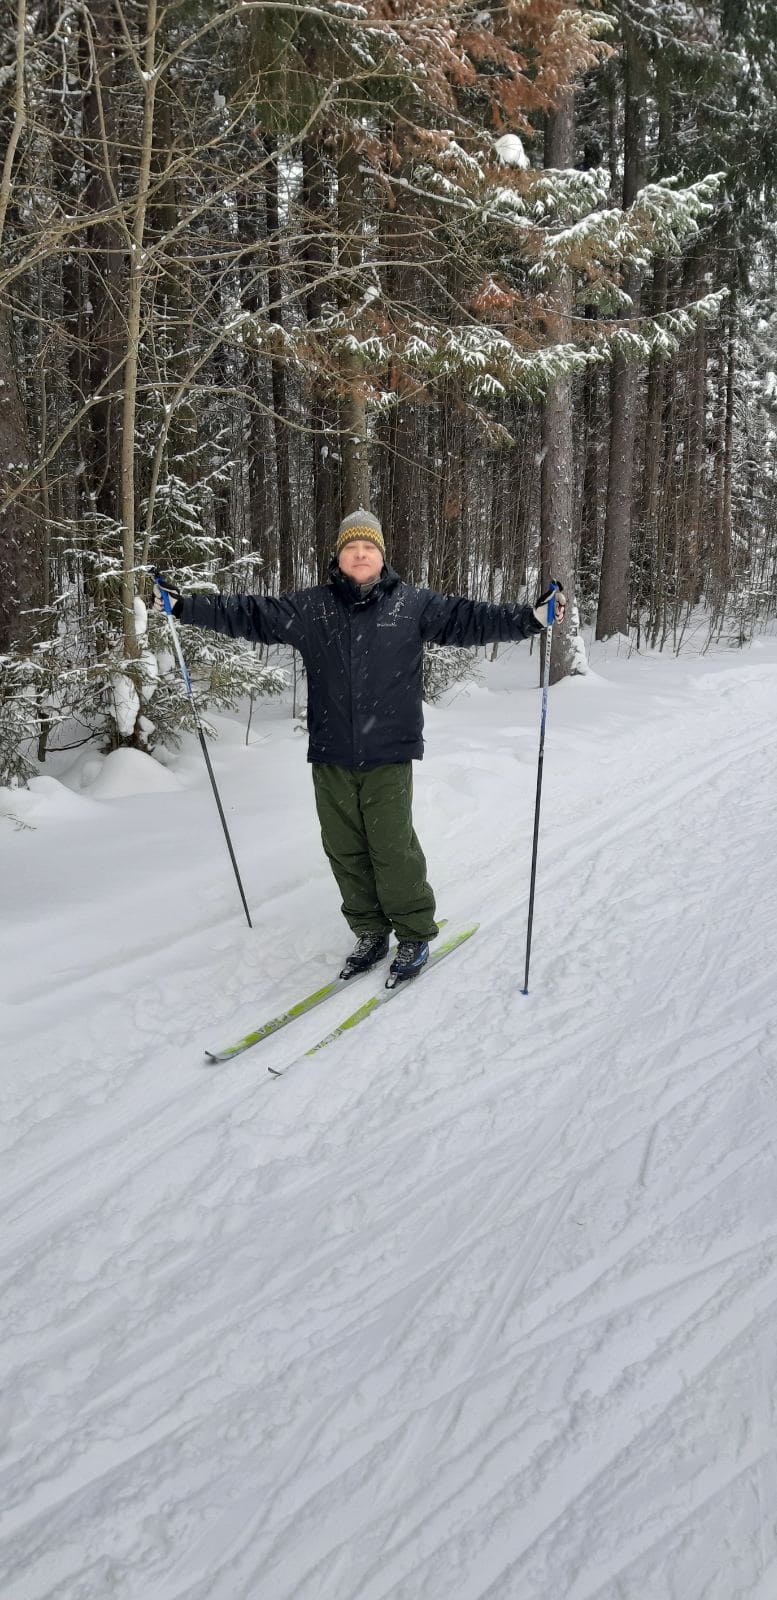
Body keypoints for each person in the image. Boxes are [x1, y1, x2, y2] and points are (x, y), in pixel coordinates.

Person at [153, 508, 565, 984]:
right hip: (330, 751)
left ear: (381, 555)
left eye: (368, 547)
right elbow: (251, 614)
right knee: (344, 847)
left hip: (389, 749)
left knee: (392, 847)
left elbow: (471, 620)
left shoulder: (413, 605)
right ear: (339, 557)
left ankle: (413, 932)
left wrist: (532, 618)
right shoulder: (312, 608)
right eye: (352, 548)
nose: (361, 554)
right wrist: (186, 607)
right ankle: (370, 930)